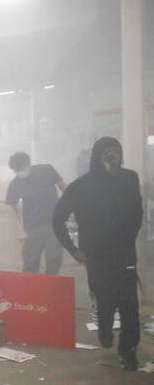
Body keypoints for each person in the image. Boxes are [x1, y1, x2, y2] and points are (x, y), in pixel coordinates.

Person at [53, 138, 144, 371]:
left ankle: (128, 350)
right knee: (105, 301)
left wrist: (128, 237)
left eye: (116, 151)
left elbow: (137, 211)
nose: (112, 156)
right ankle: (104, 328)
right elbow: (57, 218)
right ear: (97, 156)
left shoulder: (129, 179)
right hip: (96, 257)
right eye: (107, 152)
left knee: (129, 305)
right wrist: (73, 250)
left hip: (124, 254)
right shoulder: (81, 186)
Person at [5, 152, 66, 275]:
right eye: (16, 170)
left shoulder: (47, 170)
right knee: (30, 262)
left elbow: (64, 187)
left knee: (54, 257)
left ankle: (50, 284)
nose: (19, 172)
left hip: (54, 223)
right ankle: (33, 287)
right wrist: (20, 229)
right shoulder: (15, 183)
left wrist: (72, 207)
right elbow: (13, 207)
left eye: (21, 168)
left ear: (28, 164)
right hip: (32, 227)